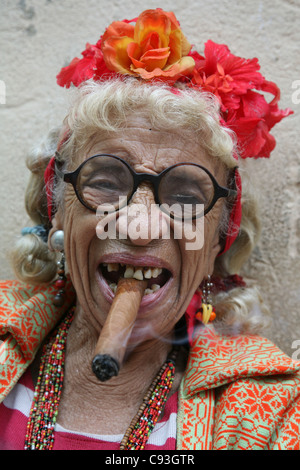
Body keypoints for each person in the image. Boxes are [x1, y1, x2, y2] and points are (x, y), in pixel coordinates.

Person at [0, 8, 299, 451]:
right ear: (58, 209)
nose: (139, 227)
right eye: (105, 182)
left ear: (220, 235)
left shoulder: (275, 408)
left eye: (185, 196)